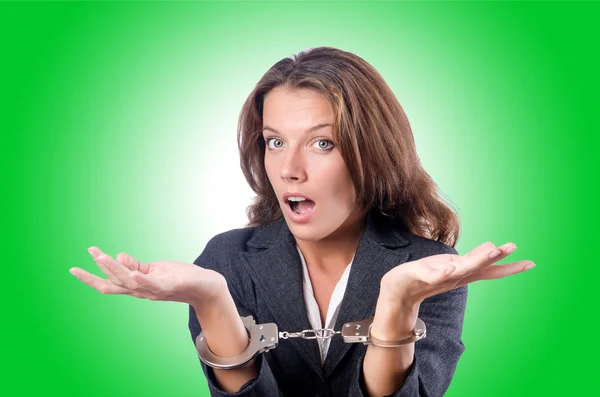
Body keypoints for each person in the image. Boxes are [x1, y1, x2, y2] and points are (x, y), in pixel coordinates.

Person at [70, 46, 535, 397]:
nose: (290, 168)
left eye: (322, 144)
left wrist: (396, 304)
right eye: (275, 142)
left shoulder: (432, 269)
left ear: (372, 153)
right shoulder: (226, 262)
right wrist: (209, 298)